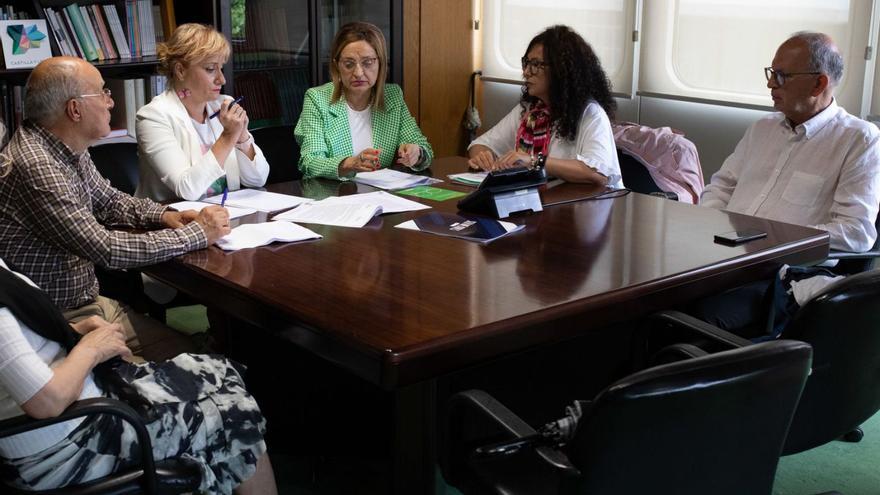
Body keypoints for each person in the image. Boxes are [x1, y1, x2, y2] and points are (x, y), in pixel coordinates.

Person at [0, 57, 231, 360]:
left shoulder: (64, 146)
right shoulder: (36, 165)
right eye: (103, 93)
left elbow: (108, 201)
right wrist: (197, 235)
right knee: (195, 367)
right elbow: (106, 249)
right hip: (60, 323)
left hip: (92, 303)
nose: (111, 102)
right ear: (75, 109)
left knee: (200, 355)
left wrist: (164, 215)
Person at [0, 256, 277, 494]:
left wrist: (75, 330)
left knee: (222, 371)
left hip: (80, 409)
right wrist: (91, 349)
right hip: (66, 448)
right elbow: (47, 402)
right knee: (236, 410)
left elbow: (22, 343)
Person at [695, 32, 880, 336]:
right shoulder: (762, 129)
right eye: (771, 74)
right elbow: (721, 187)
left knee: (685, 320)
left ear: (819, 83)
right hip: (722, 258)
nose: (770, 84)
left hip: (777, 277)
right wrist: (712, 226)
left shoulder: (858, 139)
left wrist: (770, 240)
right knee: (642, 304)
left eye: (781, 76)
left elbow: (857, 233)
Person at [467, 25, 622, 188]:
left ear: (561, 70)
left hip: (594, 207)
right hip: (550, 202)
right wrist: (482, 157)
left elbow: (598, 174)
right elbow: (480, 145)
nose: (526, 72)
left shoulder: (591, 114)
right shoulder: (530, 111)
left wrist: (535, 161)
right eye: (526, 63)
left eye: (535, 64)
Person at [136, 23, 270, 202]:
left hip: (223, 216)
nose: (221, 79)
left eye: (221, 68)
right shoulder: (153, 117)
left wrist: (242, 136)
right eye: (210, 69)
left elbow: (258, 179)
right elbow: (187, 189)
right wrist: (228, 135)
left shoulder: (222, 105)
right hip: (169, 223)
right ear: (180, 70)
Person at [295, 21, 433, 180]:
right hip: (333, 196)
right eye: (348, 64)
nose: (359, 73)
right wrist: (350, 164)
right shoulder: (317, 98)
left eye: (367, 63)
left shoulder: (393, 96)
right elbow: (310, 161)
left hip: (380, 197)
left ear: (380, 64)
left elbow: (424, 148)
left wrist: (417, 153)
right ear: (336, 66)